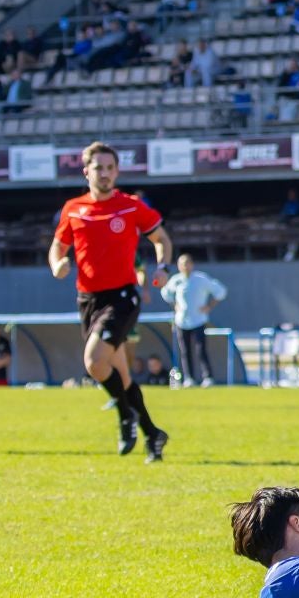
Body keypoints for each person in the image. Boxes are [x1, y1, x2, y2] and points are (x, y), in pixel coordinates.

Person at [48, 142, 175, 461]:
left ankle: (124, 414)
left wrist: (162, 267)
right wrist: (57, 264)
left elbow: (162, 239)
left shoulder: (131, 206)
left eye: (110, 168)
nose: (104, 174)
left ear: (116, 172)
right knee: (121, 373)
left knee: (93, 362)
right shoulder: (73, 208)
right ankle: (152, 433)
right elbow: (57, 247)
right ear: (86, 171)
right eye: (98, 167)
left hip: (123, 296)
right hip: (88, 299)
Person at [161, 254, 228, 387]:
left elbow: (220, 291)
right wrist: (175, 306)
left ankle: (207, 377)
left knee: (200, 349)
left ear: (192, 264)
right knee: (185, 351)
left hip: (198, 320)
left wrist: (209, 306)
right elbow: (166, 293)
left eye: (187, 263)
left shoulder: (201, 279)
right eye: (182, 264)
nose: (185, 267)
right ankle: (188, 378)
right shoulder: (176, 280)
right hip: (181, 321)